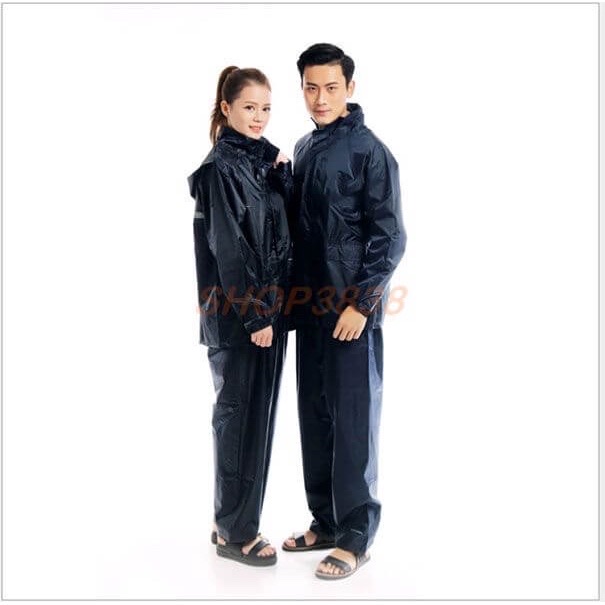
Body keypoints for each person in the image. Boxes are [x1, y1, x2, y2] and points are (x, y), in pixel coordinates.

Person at [282, 43, 406, 579]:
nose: (320, 97)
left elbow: (389, 235)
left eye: (331, 87)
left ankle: (356, 536)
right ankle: (326, 522)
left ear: (350, 88)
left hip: (350, 313)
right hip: (309, 309)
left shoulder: (371, 152)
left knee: (353, 421)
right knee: (315, 416)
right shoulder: (304, 147)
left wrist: (362, 303)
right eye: (311, 87)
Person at [187, 66, 291, 567]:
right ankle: (235, 532)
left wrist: (279, 174)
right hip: (242, 320)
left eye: (266, 108)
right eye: (249, 107)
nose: (259, 117)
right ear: (227, 108)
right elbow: (228, 249)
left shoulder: (256, 163)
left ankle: (229, 520)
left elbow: (275, 236)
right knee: (239, 422)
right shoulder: (220, 169)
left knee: (254, 422)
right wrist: (254, 317)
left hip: (267, 314)